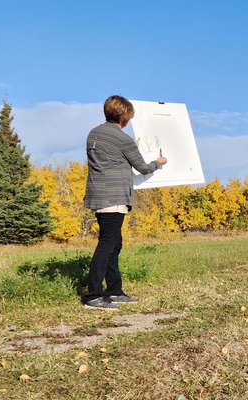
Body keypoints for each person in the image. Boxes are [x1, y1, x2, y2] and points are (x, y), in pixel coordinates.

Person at [82, 95, 167, 310]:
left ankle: (114, 290)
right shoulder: (123, 139)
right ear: (124, 117)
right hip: (114, 197)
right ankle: (93, 295)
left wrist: (131, 147)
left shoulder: (95, 133)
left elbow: (111, 157)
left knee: (114, 243)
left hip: (97, 195)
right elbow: (144, 168)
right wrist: (158, 163)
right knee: (107, 244)